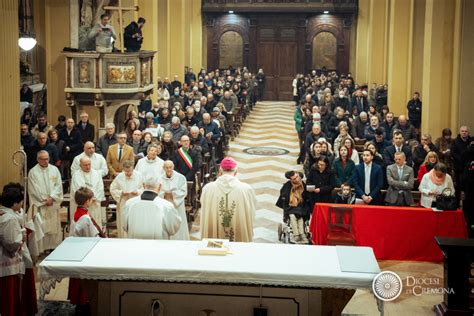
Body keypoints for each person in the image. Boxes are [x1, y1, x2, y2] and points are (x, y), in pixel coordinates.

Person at [200, 157, 257, 242]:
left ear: (220, 171)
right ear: (236, 171)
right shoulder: (246, 189)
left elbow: (205, 210)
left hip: (215, 241)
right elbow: (251, 213)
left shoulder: (208, 188)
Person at [68, 187, 104, 315]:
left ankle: (80, 302)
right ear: (87, 201)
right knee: (84, 279)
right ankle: (83, 303)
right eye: (91, 199)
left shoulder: (78, 212)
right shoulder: (85, 218)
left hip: (79, 249)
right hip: (85, 251)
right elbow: (90, 236)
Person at [0, 187, 31, 316]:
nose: (22, 204)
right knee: (9, 298)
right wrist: (22, 237)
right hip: (7, 262)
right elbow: (11, 244)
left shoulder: (3, 213)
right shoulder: (10, 219)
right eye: (20, 201)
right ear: (14, 203)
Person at [122, 174, 182, 240]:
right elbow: (173, 228)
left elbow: (125, 226)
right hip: (159, 246)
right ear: (159, 187)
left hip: (135, 245)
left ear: (143, 185)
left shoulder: (129, 203)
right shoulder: (167, 206)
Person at [27, 150, 63, 253]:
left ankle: (53, 247)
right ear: (38, 159)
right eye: (43, 159)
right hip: (41, 206)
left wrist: (52, 198)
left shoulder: (54, 169)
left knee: (53, 226)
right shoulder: (33, 172)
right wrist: (44, 200)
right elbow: (33, 189)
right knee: (42, 227)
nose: (46, 161)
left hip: (52, 204)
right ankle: (42, 249)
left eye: (47, 158)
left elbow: (58, 185)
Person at [70, 156, 106, 228]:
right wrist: (86, 200)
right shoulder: (76, 175)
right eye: (85, 165)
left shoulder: (97, 174)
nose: (88, 166)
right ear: (80, 165)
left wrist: (93, 199)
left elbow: (100, 188)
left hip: (94, 203)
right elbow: (75, 190)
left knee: (94, 226)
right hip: (82, 205)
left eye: (89, 164)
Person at [110, 160, 143, 238]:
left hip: (136, 202)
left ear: (133, 168)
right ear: (123, 169)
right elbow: (112, 189)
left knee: (135, 221)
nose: (128, 173)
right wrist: (121, 192)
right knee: (123, 222)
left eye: (130, 171)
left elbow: (144, 188)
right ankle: (123, 238)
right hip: (123, 202)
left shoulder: (139, 175)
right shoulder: (119, 177)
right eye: (126, 172)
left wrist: (138, 192)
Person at [276, 171, 310, 244]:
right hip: (290, 207)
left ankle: (302, 235)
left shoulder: (303, 185)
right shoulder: (287, 186)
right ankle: (297, 235)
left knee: (300, 217)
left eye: (297, 177)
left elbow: (307, 196)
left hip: (301, 206)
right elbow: (283, 196)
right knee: (292, 216)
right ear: (290, 180)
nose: (297, 179)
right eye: (294, 179)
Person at [159, 160, 189, 240]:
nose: (169, 169)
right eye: (166, 167)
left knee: (179, 223)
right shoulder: (159, 178)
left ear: (173, 167)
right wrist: (164, 194)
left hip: (177, 204)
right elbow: (157, 191)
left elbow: (183, 192)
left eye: (170, 167)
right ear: (163, 168)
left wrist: (172, 194)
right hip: (165, 203)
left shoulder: (181, 177)